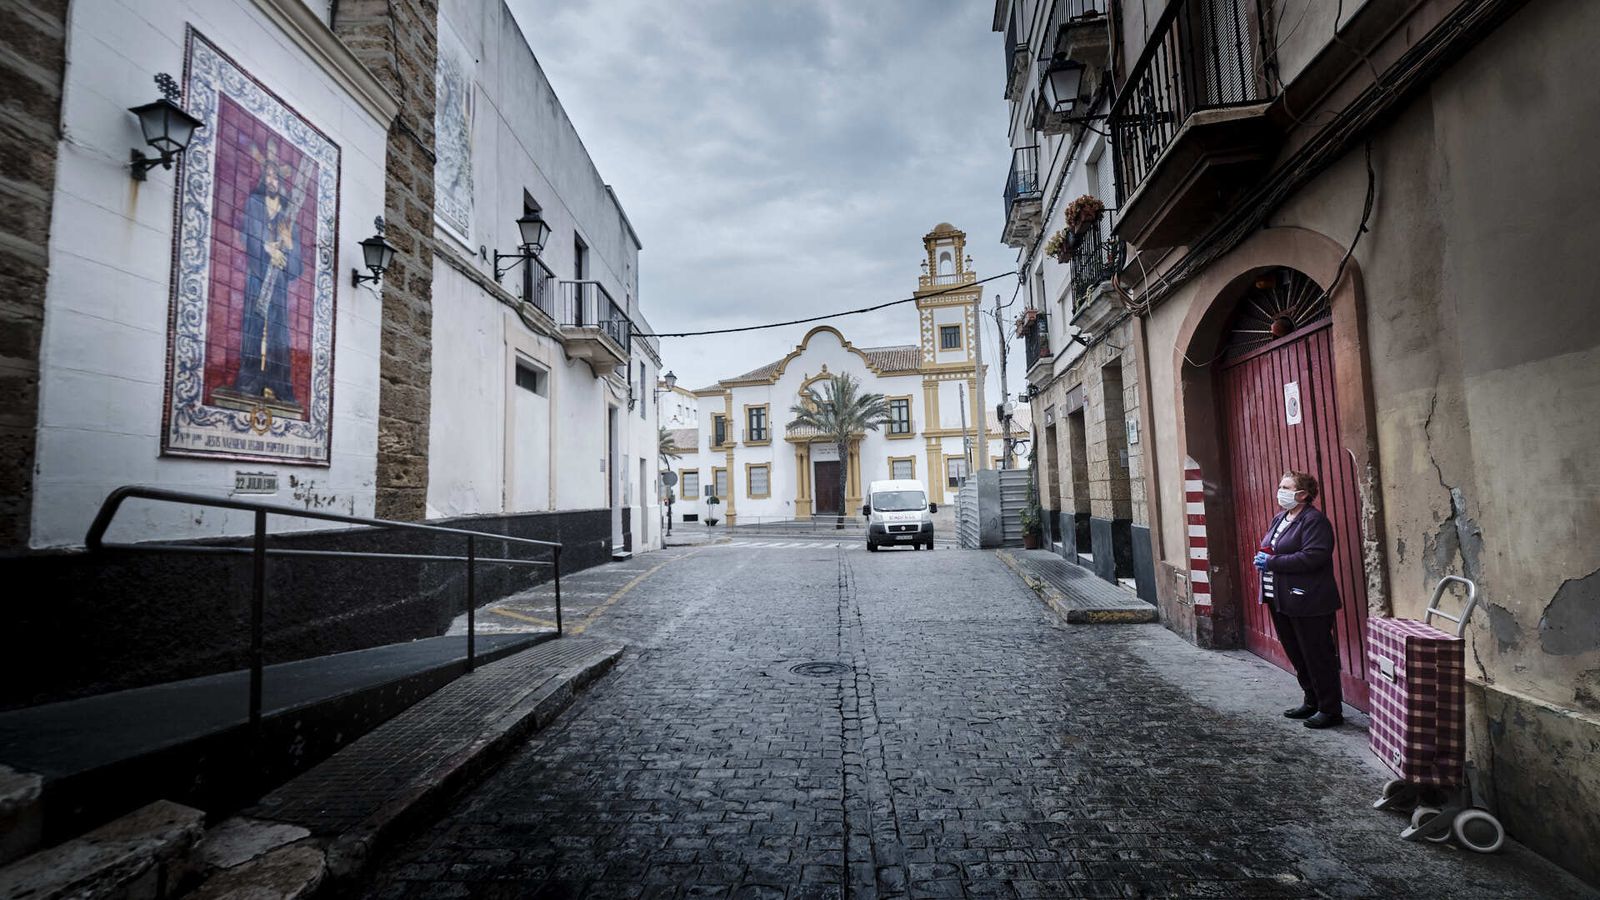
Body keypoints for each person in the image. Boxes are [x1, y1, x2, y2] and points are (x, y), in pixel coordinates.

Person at [1253, 470, 1344, 728]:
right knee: (1297, 653)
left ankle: (1330, 709)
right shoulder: (1280, 518)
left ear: (1302, 494)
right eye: (1280, 485)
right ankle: (1311, 700)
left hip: (1308, 600)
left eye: (1286, 486)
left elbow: (1314, 556)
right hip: (1279, 598)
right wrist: (1264, 558)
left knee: (1317, 654)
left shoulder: (1314, 521)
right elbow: (1272, 547)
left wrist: (1273, 562)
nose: (1280, 490)